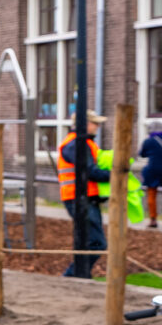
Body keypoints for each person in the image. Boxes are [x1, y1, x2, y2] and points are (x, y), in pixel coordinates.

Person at [60, 111, 112, 279]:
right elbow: (89, 170)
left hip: (84, 198)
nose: (97, 126)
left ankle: (80, 277)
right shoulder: (76, 144)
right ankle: (72, 276)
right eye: (94, 123)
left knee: (89, 242)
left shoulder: (83, 143)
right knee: (96, 243)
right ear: (84, 124)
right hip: (79, 198)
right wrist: (115, 173)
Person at [142, 118, 162, 230]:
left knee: (151, 194)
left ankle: (153, 219)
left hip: (153, 170)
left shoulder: (148, 141)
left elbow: (142, 154)